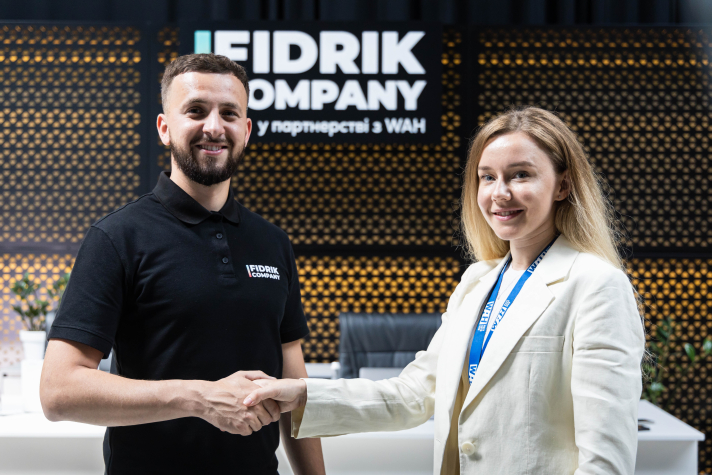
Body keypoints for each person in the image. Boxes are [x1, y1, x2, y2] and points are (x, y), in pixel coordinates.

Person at [243, 106, 646, 474]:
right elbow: (416, 394)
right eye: (487, 177)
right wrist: (302, 395)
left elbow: (605, 463)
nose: (499, 193)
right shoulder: (477, 281)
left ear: (563, 185)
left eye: (520, 175)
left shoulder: (597, 285)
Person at [40, 53, 325, 475]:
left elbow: (294, 391)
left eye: (229, 113)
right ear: (164, 128)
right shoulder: (117, 237)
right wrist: (200, 398)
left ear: (246, 131)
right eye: (196, 110)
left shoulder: (273, 243)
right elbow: (58, 392)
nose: (214, 127)